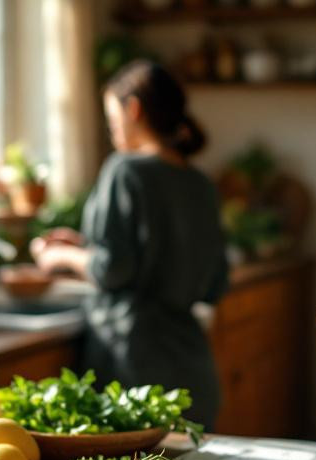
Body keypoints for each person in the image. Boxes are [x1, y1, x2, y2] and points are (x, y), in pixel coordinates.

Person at [32, 60, 229, 429]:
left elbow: (114, 269)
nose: (112, 131)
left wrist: (62, 255)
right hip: (194, 375)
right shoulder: (200, 183)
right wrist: (86, 245)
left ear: (133, 109)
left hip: (135, 373)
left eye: (112, 119)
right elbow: (215, 280)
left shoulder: (126, 170)